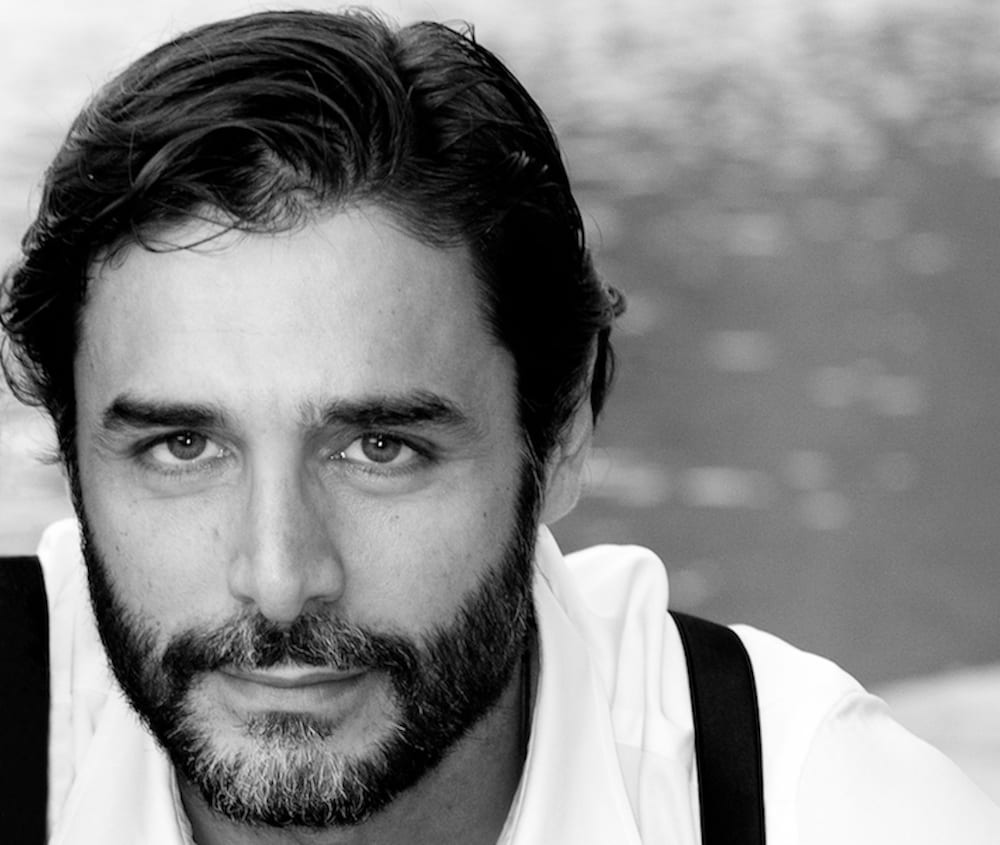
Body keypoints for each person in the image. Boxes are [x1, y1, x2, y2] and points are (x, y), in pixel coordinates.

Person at [0, 8, 997, 845]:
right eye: (182, 448)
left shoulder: (827, 808)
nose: (278, 576)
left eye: (380, 448)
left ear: (560, 433)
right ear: (73, 452)